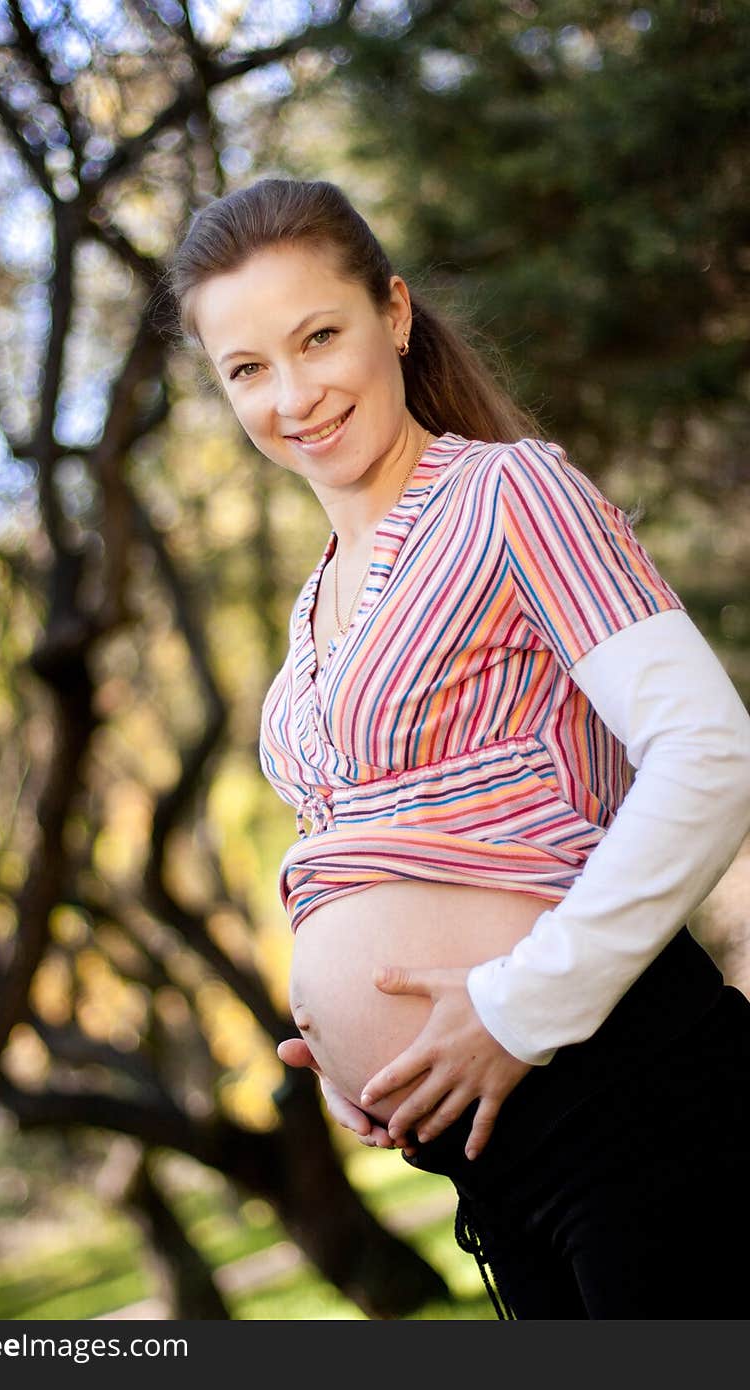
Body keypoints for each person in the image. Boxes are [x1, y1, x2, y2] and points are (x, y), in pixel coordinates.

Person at [165, 176, 750, 1319]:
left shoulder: (507, 493)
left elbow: (710, 750)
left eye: (318, 336)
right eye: (247, 369)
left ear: (393, 314)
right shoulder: (312, 610)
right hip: (501, 1165)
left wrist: (516, 1007)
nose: (293, 394)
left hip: (628, 1105)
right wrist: (357, 1063)